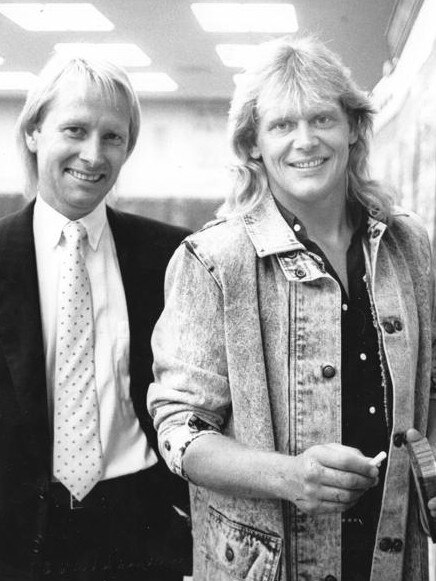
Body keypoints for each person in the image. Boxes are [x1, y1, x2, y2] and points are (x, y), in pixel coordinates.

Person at [148, 35, 436, 580]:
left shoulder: (408, 246)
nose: (305, 141)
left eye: (322, 119)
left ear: (353, 127)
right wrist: (288, 476)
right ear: (253, 145)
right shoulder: (213, 260)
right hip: (269, 564)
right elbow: (180, 431)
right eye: (282, 125)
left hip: (392, 555)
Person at [0, 53, 192, 580]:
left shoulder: (172, 256)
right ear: (35, 132)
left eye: (113, 137)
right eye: (75, 129)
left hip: (143, 524)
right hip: (17, 532)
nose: (93, 153)